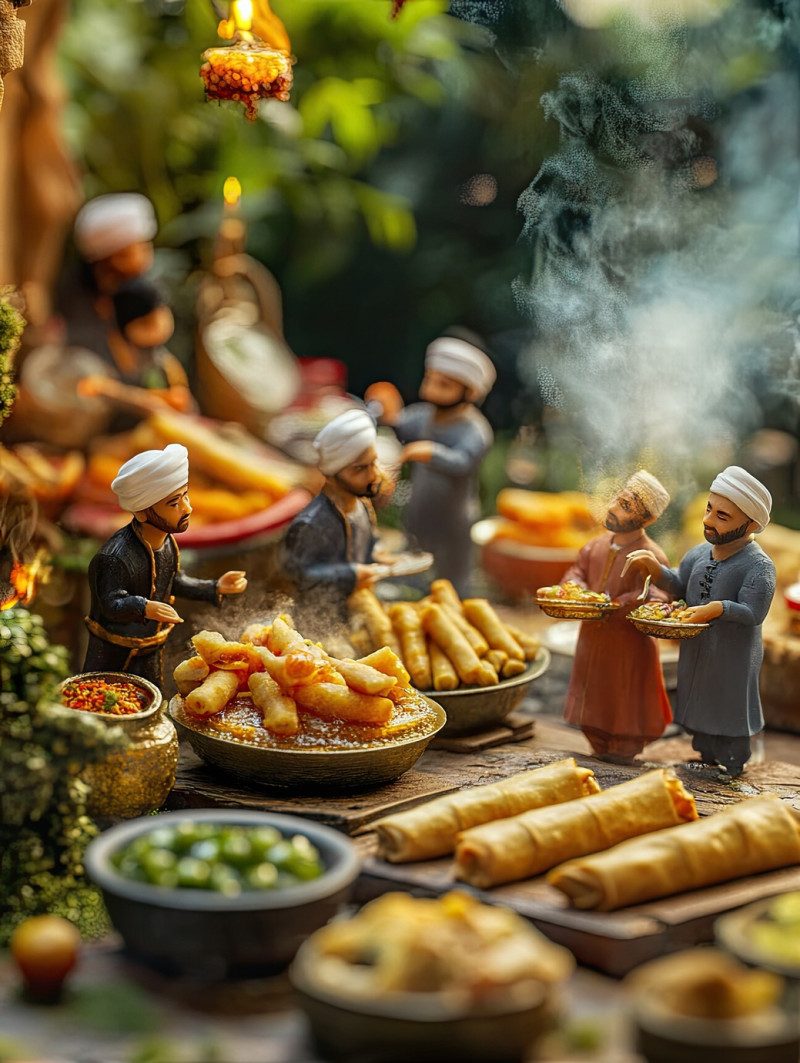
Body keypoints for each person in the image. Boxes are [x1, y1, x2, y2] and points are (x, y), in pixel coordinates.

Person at [627, 466, 776, 778]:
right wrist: (655, 569)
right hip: (698, 652)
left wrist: (716, 609)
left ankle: (734, 760)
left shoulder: (758, 566)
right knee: (700, 701)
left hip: (732, 655)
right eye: (710, 509)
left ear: (751, 525)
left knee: (730, 706)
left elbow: (753, 612)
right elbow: (680, 583)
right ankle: (704, 753)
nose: (708, 520)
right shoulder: (699, 553)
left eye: (723, 516)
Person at [83, 443, 247, 689]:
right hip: (112, 649)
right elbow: (110, 603)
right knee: (99, 700)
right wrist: (144, 607)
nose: (188, 508)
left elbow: (174, 580)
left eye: (186, 497)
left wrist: (215, 586)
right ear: (141, 513)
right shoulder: (115, 557)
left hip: (151, 645)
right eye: (174, 503)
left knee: (152, 699)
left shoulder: (167, 543)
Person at [365, 332, 495, 596]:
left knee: (451, 576)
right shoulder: (425, 415)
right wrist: (389, 412)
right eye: (430, 380)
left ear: (469, 391)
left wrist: (431, 452)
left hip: (453, 519)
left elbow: (463, 462)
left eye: (444, 385)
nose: (432, 390)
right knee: (414, 559)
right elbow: (402, 424)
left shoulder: (475, 430)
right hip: (421, 508)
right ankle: (411, 595)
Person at [561, 470, 673, 763]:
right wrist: (576, 588)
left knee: (625, 699)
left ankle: (624, 748)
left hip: (628, 645)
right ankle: (597, 743)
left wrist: (619, 604)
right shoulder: (595, 545)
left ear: (647, 520)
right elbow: (577, 572)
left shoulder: (652, 556)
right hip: (592, 639)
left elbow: (657, 596)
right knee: (593, 695)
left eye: (625, 507)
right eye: (617, 500)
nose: (612, 508)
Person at [283, 407, 397, 633]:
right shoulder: (311, 523)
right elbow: (300, 574)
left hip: (358, 609)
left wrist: (378, 554)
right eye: (360, 469)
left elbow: (369, 540)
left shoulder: (362, 507)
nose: (374, 475)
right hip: (321, 621)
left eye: (374, 463)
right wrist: (351, 574)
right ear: (334, 473)